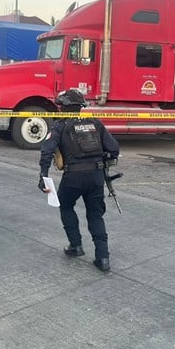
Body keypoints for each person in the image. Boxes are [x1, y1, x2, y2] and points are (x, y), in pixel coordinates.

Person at [39, 89, 120, 272]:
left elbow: (47, 151)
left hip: (73, 178)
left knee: (66, 205)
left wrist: (43, 177)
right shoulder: (95, 124)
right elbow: (114, 149)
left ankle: (76, 246)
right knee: (95, 214)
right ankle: (103, 258)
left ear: (63, 107)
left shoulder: (60, 126)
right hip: (96, 177)